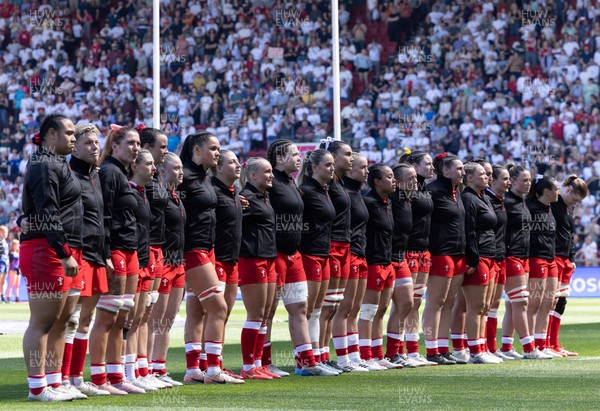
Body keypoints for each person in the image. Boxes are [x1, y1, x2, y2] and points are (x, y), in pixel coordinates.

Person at [20, 114, 83, 401]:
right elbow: (48, 212)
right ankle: (37, 388)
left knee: (62, 321)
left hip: (57, 247)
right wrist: (64, 252)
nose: (73, 138)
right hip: (46, 248)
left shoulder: (57, 163)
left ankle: (55, 382)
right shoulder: (44, 164)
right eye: (68, 133)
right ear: (50, 135)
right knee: (43, 321)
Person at [266, 140, 336, 377]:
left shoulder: (291, 183)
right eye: (294, 154)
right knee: (268, 311)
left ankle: (306, 362)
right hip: (273, 252)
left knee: (301, 307)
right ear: (279, 157)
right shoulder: (270, 181)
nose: (299, 157)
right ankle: (260, 362)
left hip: (293, 253)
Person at [179, 131, 242, 384]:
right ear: (196, 150)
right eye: (213, 148)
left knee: (197, 311)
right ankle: (214, 370)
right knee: (218, 307)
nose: (218, 153)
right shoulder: (184, 176)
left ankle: (194, 370)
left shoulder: (205, 177)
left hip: (207, 248)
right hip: (193, 249)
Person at [90, 124, 144, 394]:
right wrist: (106, 252)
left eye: (138, 144)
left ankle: (117, 376)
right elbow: (103, 215)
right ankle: (100, 378)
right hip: (116, 250)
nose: (136, 148)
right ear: (115, 145)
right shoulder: (110, 172)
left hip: (129, 248)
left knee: (124, 317)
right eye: (131, 143)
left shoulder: (120, 172)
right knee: (108, 317)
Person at [63, 124, 111, 396]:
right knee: (68, 319)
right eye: (90, 143)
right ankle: (58, 377)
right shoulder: (67, 174)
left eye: (97, 142)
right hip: (75, 252)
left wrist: (105, 254)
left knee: (85, 319)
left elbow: (102, 218)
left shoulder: (97, 176)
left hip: (95, 253)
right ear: (75, 146)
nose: (95, 147)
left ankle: (76, 378)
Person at [500, 164, 550, 359]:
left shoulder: (521, 202)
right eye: (525, 180)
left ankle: (506, 346)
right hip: (512, 256)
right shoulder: (507, 202)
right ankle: (529, 349)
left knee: (513, 305)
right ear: (513, 181)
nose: (529, 184)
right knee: (521, 303)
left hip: (523, 256)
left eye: (530, 180)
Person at [298, 149, 339, 374]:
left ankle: (317, 358)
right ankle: (305, 362)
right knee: (308, 310)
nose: (332, 168)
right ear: (314, 167)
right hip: (310, 254)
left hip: (323, 254)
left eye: (333, 164)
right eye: (328, 165)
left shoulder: (324, 191)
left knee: (317, 310)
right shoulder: (306, 191)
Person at [422, 152, 465, 365]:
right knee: (435, 302)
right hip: (441, 253)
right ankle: (431, 350)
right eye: (458, 168)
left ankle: (442, 347)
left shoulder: (456, 192)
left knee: (448, 303)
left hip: (458, 254)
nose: (463, 172)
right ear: (445, 170)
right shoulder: (433, 192)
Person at [238, 157, 278, 381]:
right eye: (267, 172)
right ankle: (247, 366)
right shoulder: (246, 198)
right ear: (252, 175)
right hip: (252, 259)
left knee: (265, 314)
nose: (270, 175)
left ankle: (258, 364)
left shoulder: (264, 197)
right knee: (256, 314)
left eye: (271, 171)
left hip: (269, 258)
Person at [123, 149, 159, 391]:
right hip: (131, 259)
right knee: (126, 321)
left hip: (144, 259)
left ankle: (135, 370)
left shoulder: (143, 192)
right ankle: (123, 373)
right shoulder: (128, 192)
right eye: (149, 163)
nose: (154, 168)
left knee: (138, 319)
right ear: (134, 166)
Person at [357, 164, 398, 370]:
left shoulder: (387, 202)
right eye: (389, 177)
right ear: (377, 181)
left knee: (381, 310)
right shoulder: (369, 202)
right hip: (373, 262)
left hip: (387, 262)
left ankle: (377, 354)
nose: (394, 180)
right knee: (368, 311)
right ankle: (365, 356)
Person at [460, 162, 499, 364]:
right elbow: (469, 230)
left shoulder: (483, 197)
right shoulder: (468, 198)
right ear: (469, 178)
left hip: (490, 255)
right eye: (482, 174)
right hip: (480, 256)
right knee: (476, 306)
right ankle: (475, 351)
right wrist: (473, 258)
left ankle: (482, 347)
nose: (487, 177)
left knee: (485, 306)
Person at [320, 139, 354, 373]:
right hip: (330, 246)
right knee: (325, 307)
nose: (351, 158)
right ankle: (318, 356)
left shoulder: (340, 183)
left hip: (343, 246)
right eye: (348, 154)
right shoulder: (328, 184)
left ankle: (325, 355)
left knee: (333, 305)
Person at [400, 151, 436, 367]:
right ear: (413, 165)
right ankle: (401, 350)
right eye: (427, 163)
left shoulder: (425, 189)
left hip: (424, 250)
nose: (432, 167)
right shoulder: (406, 191)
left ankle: (413, 350)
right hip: (410, 249)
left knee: (415, 303)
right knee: (406, 304)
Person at [211, 150, 244, 379]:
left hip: (233, 259)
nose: (238, 164)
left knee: (225, 313)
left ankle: (216, 362)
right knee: (213, 312)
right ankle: (205, 364)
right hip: (216, 259)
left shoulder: (235, 193)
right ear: (219, 167)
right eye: (232, 162)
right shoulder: (212, 192)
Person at [549, 176, 588, 356]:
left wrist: (571, 257)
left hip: (564, 259)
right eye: (576, 199)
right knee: (551, 302)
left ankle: (554, 343)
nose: (576, 203)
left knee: (561, 302)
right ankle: (546, 343)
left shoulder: (567, 208)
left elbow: (569, 235)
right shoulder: (551, 203)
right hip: (552, 257)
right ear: (570, 190)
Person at [384, 163, 419, 368]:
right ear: (397, 181)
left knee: (407, 303)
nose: (415, 181)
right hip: (386, 257)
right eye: (410, 178)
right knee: (377, 308)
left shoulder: (407, 199)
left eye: (415, 177)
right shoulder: (391, 200)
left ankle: (395, 350)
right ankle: (375, 353)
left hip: (400, 257)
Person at [341, 153, 373, 371]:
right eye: (363, 167)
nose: (367, 171)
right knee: (344, 309)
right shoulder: (346, 194)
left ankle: (354, 355)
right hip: (350, 254)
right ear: (351, 169)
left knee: (354, 309)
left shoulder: (359, 194)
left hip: (360, 254)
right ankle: (343, 358)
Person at [526, 175, 560, 358]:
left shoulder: (550, 210)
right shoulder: (530, 209)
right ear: (547, 191)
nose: (558, 193)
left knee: (549, 302)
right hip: (536, 258)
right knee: (534, 303)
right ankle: (531, 346)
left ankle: (542, 344)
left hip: (550, 259)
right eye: (556, 189)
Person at [483, 165, 512, 360]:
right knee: (480, 306)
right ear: (493, 180)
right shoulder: (486, 201)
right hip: (488, 256)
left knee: (493, 305)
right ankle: (475, 346)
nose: (508, 182)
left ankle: (491, 346)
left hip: (500, 256)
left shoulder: (501, 201)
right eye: (505, 178)